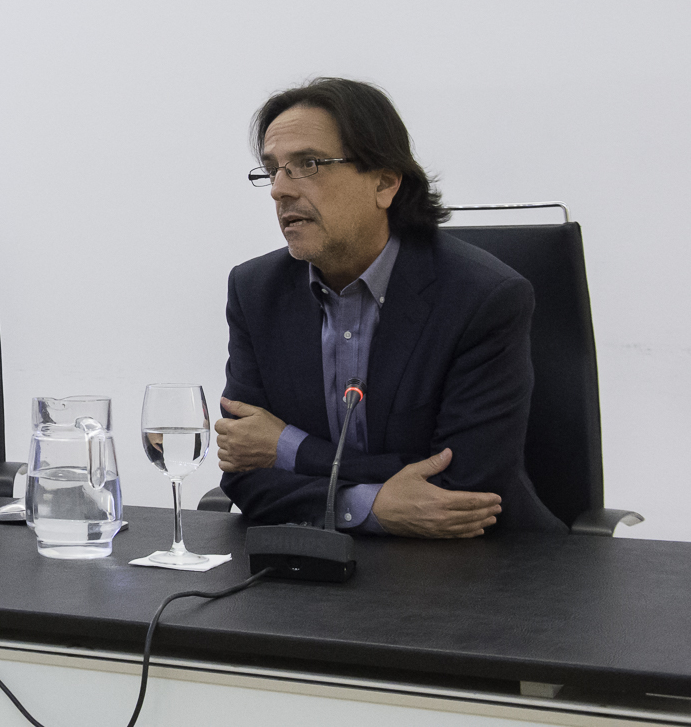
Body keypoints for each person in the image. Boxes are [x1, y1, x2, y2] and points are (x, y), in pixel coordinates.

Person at [216, 78, 565, 536]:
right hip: (316, 564)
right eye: (272, 170)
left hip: (479, 562)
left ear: (384, 183)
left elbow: (463, 486)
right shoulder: (255, 290)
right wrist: (370, 505)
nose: (278, 190)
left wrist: (289, 448)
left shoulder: (483, 298)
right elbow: (244, 473)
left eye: (308, 164)